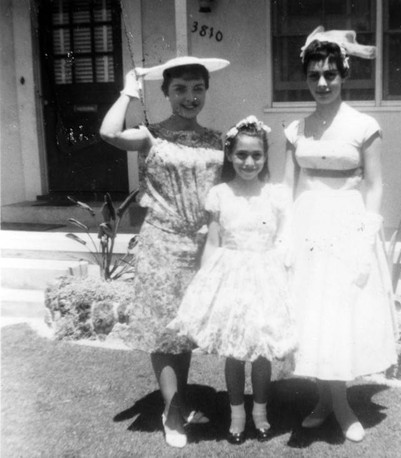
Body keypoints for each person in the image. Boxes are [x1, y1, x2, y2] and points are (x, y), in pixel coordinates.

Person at [99, 56, 229, 448]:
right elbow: (107, 132)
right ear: (166, 93)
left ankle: (179, 399)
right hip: (162, 241)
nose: (190, 97)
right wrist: (127, 90)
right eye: (180, 89)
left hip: (202, 244)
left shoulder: (217, 139)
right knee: (164, 329)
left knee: (185, 328)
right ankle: (172, 412)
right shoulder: (151, 135)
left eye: (197, 89)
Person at [283, 27, 398, 443]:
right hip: (308, 226)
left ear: (344, 74)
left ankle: (342, 404)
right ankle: (325, 400)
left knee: (340, 314)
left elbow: (376, 184)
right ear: (307, 78)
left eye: (330, 74)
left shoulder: (364, 125)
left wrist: (367, 235)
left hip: (348, 224)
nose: (323, 83)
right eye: (314, 75)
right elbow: (288, 187)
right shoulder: (296, 130)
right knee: (314, 315)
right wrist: (284, 235)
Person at [168, 116, 296, 445]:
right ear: (229, 155)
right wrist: (206, 284)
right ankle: (237, 415)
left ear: (266, 157)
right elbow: (213, 241)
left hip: (265, 277)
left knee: (262, 350)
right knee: (235, 351)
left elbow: (283, 238)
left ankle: (260, 413)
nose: (249, 162)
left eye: (256, 155)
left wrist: (282, 269)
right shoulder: (221, 194)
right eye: (241, 155)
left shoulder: (276, 194)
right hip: (231, 278)